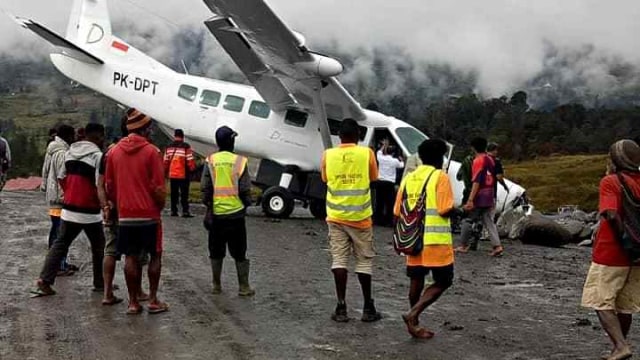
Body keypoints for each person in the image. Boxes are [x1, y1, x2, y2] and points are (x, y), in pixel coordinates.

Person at [105, 108, 168, 314]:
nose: (151, 131)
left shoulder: (113, 152)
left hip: (125, 216)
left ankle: (133, 303)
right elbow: (158, 187)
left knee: (130, 257)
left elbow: (110, 186)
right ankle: (152, 300)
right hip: (149, 214)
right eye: (149, 127)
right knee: (155, 256)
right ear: (143, 129)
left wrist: (118, 205)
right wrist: (159, 205)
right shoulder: (152, 152)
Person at [581, 140, 640, 360]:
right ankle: (618, 347)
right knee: (624, 305)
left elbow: (611, 214)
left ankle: (621, 346)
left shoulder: (611, 181)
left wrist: (626, 243)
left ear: (615, 159)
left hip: (612, 253)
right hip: (636, 257)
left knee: (600, 300)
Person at [32, 123, 106, 296]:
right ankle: (100, 283)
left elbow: (61, 176)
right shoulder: (98, 156)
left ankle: (44, 280)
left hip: (69, 208)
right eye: (102, 137)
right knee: (98, 247)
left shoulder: (70, 152)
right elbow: (99, 184)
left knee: (60, 244)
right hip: (90, 211)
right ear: (97, 137)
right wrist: (104, 204)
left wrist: (71, 193)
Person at [321, 119, 381, 322]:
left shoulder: (328, 155)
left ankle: (341, 306)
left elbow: (325, 178)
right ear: (358, 136)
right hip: (360, 218)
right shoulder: (367, 154)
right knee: (364, 262)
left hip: (336, 216)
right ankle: (367, 307)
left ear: (339, 136)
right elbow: (374, 178)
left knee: (339, 260)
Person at [395, 139, 456, 339]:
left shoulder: (409, 178)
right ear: (440, 157)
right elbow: (444, 208)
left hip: (411, 238)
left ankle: (414, 323)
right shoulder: (440, 176)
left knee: (416, 279)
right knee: (444, 280)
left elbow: (397, 210)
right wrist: (461, 210)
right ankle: (413, 314)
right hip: (435, 240)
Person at [201, 126, 254, 296]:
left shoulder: (210, 160)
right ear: (231, 141)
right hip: (236, 215)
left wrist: (209, 206)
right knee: (240, 252)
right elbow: (245, 188)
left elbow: (205, 187)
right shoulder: (240, 161)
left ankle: (216, 285)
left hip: (217, 216)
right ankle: (244, 287)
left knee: (216, 252)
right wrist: (246, 204)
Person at [456, 137, 503, 257]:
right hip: (490, 193)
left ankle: (463, 245)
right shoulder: (491, 160)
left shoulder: (478, 161)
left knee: (468, 219)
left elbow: (476, 181)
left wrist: (471, 199)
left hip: (479, 195)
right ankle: (497, 246)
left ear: (473, 148)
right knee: (488, 220)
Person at [40, 125, 76, 276]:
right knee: (60, 234)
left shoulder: (52, 150)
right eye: (72, 135)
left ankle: (59, 263)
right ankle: (59, 265)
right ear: (67, 136)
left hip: (53, 196)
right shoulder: (62, 153)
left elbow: (45, 172)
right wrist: (67, 196)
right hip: (60, 199)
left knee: (56, 231)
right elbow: (63, 177)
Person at [164, 129, 196, 217]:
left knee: (174, 193)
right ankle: (185, 211)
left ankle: (173, 211)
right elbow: (190, 160)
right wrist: (193, 169)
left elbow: (166, 161)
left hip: (172, 174)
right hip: (183, 174)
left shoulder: (169, 147)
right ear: (182, 136)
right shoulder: (185, 147)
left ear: (175, 136)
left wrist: (165, 171)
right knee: (184, 194)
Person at [374, 139, 404, 226]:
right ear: (393, 154)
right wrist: (401, 159)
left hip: (380, 182)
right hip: (389, 184)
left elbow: (378, 152)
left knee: (379, 202)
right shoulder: (395, 161)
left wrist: (384, 145)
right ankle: (388, 221)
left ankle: (378, 220)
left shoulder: (381, 158)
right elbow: (402, 165)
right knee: (389, 203)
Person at [0, 129, 11, 194]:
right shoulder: (4, 141)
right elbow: (8, 154)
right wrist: (8, 164)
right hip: (2, 165)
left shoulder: (3, 141)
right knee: (2, 181)